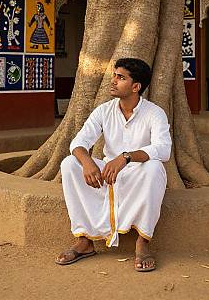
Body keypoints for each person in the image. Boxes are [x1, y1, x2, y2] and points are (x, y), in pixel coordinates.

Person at [56, 58, 171, 272]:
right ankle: (84, 241)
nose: (113, 81)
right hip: (107, 175)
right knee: (70, 164)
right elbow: (79, 142)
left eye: (121, 77)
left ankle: (142, 243)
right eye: (114, 75)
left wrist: (126, 157)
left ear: (136, 87)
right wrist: (87, 162)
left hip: (138, 175)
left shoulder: (155, 113)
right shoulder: (103, 111)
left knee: (155, 167)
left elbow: (163, 149)